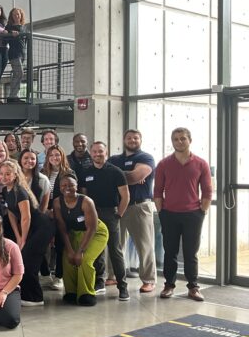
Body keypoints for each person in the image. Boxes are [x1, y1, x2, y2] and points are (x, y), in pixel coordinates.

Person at [154, 127, 212, 302]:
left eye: (182, 139)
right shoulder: (164, 164)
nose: (179, 142)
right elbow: (157, 191)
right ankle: (169, 285)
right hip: (169, 214)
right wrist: (161, 212)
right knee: (169, 251)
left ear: (190, 140)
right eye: (176, 139)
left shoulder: (201, 163)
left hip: (193, 215)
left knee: (190, 252)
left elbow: (208, 190)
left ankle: (193, 287)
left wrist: (202, 211)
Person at [0, 161, 55, 307]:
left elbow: (26, 217)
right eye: (2, 174)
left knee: (28, 261)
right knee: (23, 259)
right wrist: (18, 237)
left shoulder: (20, 191)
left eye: (8, 174)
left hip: (42, 227)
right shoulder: (6, 190)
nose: (4, 177)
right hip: (30, 229)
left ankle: (36, 298)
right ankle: (26, 294)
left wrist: (23, 239)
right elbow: (11, 213)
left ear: (15, 174)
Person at [80, 141, 130, 301]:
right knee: (97, 250)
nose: (97, 154)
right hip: (93, 214)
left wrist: (119, 215)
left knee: (115, 251)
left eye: (100, 151)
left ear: (106, 153)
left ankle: (123, 287)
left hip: (110, 213)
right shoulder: (86, 172)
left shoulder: (116, 172)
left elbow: (125, 196)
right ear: (91, 153)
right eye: (94, 152)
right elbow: (84, 196)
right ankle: (99, 283)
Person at [110, 129, 157, 292]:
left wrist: (127, 176)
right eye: (129, 138)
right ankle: (114, 276)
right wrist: (131, 176)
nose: (132, 140)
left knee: (145, 245)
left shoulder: (145, 158)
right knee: (116, 245)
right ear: (124, 140)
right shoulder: (115, 159)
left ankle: (149, 280)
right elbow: (128, 177)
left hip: (139, 207)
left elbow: (134, 177)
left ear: (140, 140)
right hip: (118, 206)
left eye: (136, 138)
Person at [53, 174, 109, 306]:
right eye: (64, 185)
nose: (67, 188)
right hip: (74, 233)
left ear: (76, 186)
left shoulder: (86, 202)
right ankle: (71, 292)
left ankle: (87, 293)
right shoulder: (57, 202)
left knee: (85, 260)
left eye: (71, 185)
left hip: (95, 233)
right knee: (67, 259)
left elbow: (92, 228)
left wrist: (80, 251)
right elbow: (62, 227)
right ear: (60, 188)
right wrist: (70, 250)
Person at [4, 7, 27, 102]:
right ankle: (12, 96)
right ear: (11, 16)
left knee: (17, 74)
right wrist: (10, 33)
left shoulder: (24, 27)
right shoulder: (9, 27)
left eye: (18, 14)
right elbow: (5, 36)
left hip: (22, 54)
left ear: (21, 15)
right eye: (14, 14)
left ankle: (14, 96)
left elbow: (24, 41)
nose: (16, 16)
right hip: (14, 53)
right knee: (20, 73)